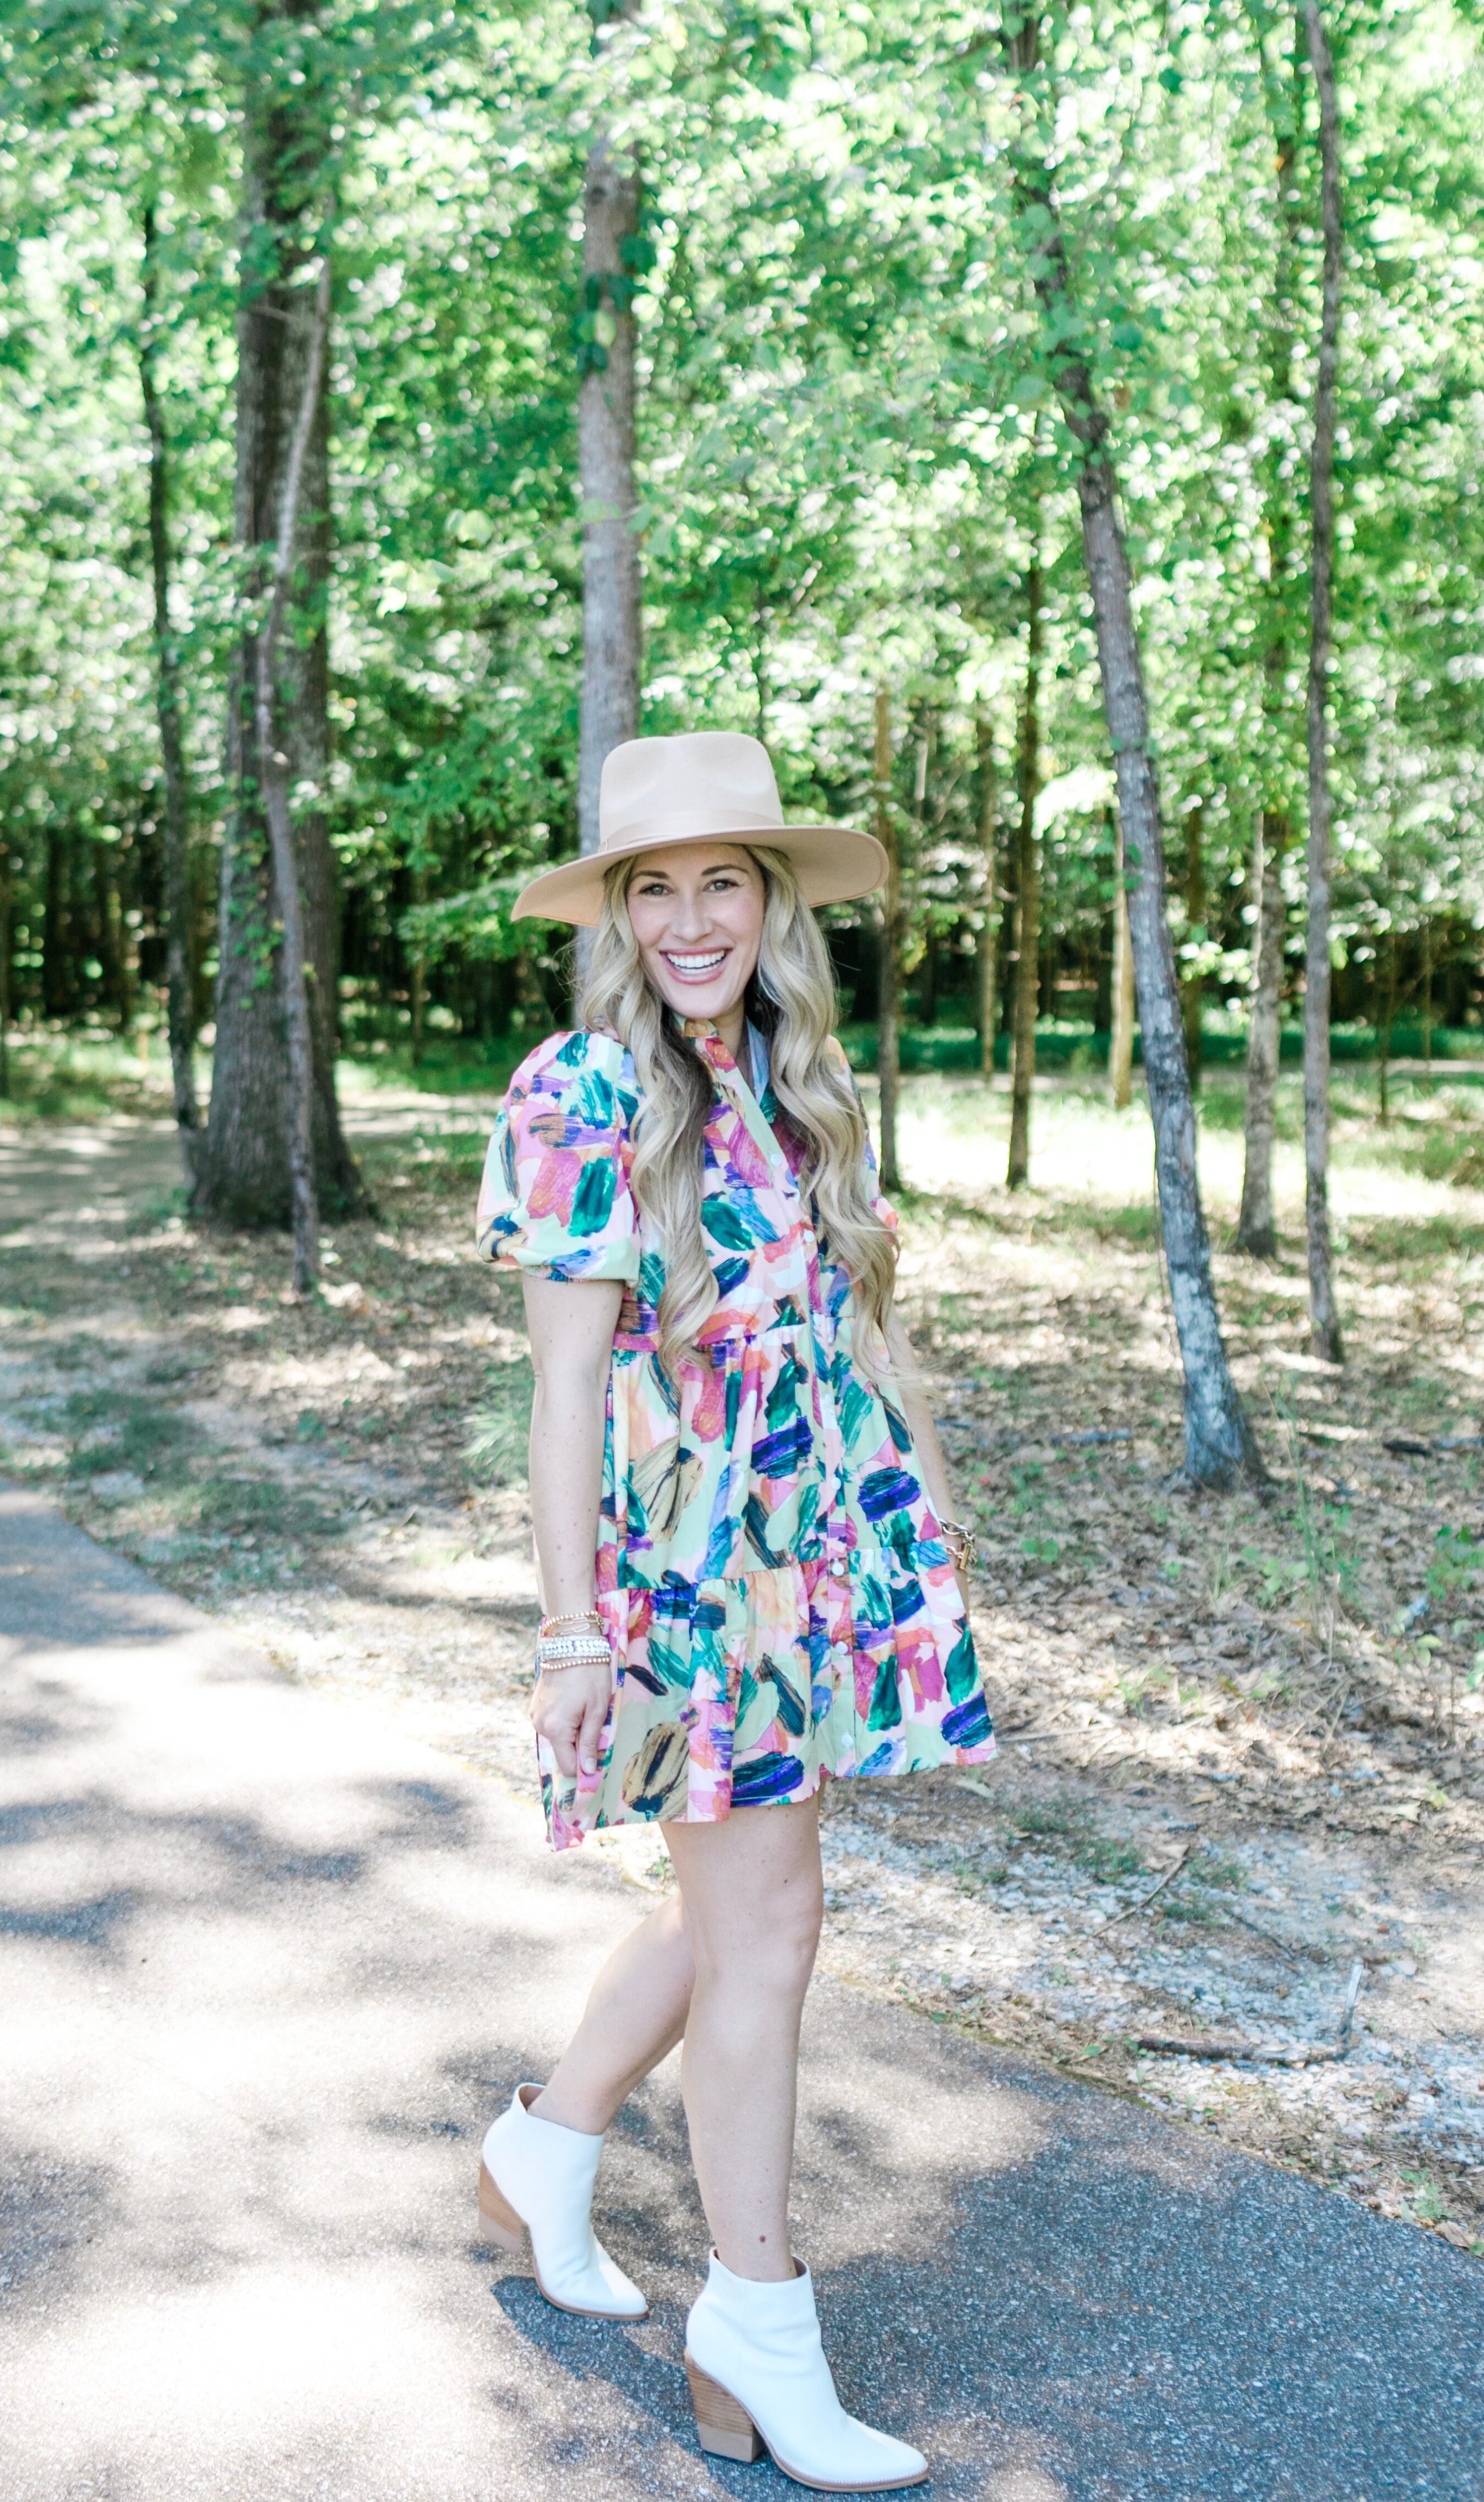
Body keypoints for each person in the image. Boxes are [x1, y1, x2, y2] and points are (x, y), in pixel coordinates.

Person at [472, 731, 994, 2493]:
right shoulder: (585, 1089)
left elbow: (830, 1349)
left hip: (816, 1567)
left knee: (733, 1917)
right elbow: (563, 1394)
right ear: (617, 913)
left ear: (770, 902)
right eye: (655, 886)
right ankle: (753, 2329)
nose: (692, 916)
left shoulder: (786, 1079)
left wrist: (905, 1536)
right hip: (684, 1583)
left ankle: (549, 2151)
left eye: (723, 879)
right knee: (768, 1934)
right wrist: (568, 1636)